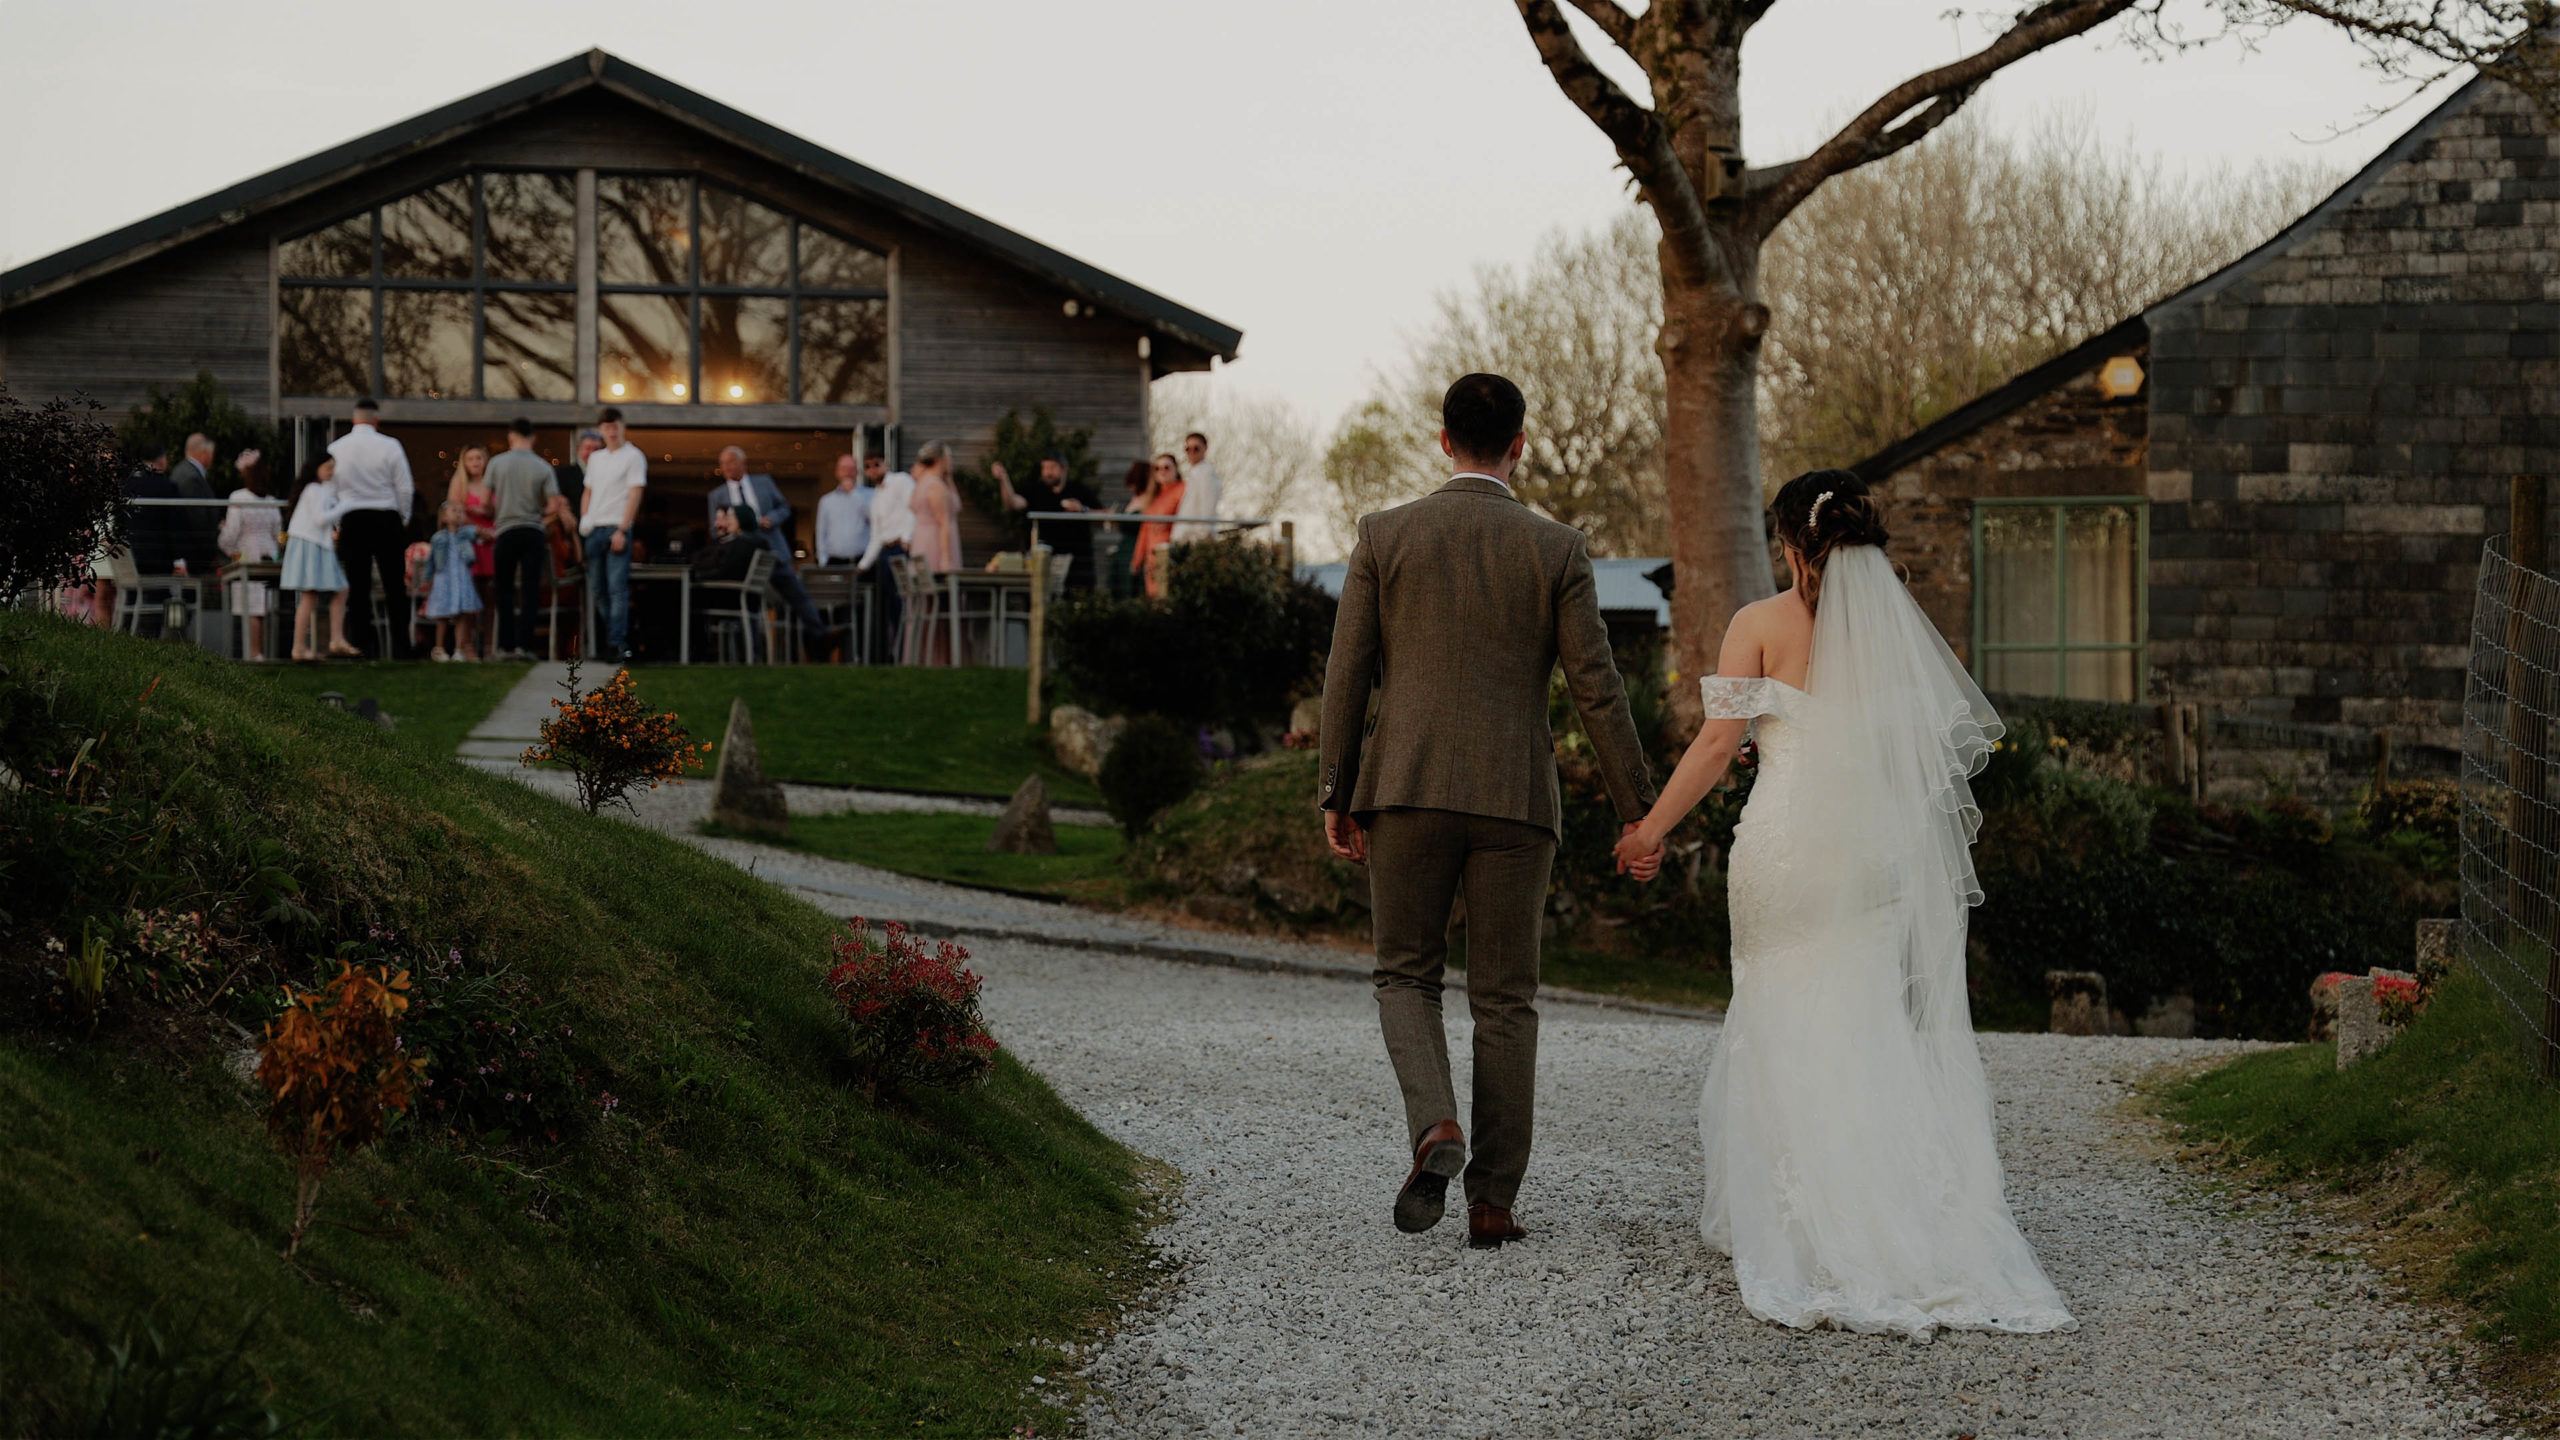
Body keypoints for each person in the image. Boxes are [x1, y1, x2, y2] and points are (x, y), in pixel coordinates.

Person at [1611, 470, 2074, 1338]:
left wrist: (1650, 832)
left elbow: (1718, 744)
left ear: (1789, 544)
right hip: (1871, 858)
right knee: (1865, 1018)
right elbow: (1903, 750)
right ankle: (1900, 1208)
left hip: (1787, 852)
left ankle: (1801, 1216)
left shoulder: (1757, 624)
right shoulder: (1901, 636)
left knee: (1780, 1008)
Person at [1317, 372, 1655, 1251]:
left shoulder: (1384, 536)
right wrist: (1636, 810)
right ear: (1520, 445)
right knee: (1507, 1000)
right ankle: (1494, 1203)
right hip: (1514, 798)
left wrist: (1336, 788)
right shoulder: (1559, 550)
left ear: (1442, 440)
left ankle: (1436, 1127)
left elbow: (1346, 677)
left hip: (1405, 788)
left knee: (1405, 974)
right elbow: (1598, 690)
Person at [704, 444, 828, 654]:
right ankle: (754, 650)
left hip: (774, 552)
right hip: (743, 558)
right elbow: (715, 531)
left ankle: (820, 638)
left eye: (731, 462)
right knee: (750, 602)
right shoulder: (717, 496)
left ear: (743, 463)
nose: (727, 467)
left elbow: (784, 508)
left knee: (797, 595)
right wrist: (729, 529)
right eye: (723, 464)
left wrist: (772, 519)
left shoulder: (764, 482)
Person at [329, 399, 419, 659]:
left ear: (353, 419)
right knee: (394, 586)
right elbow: (404, 487)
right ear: (376, 420)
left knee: (358, 587)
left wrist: (338, 522)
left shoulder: (336, 448)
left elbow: (331, 489)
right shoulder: (390, 445)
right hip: (385, 516)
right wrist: (402, 516)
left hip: (352, 518)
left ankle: (363, 645)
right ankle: (401, 647)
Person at [486, 418, 567, 661]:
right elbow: (553, 504)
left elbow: (487, 500)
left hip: (506, 530)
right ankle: (526, 646)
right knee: (531, 589)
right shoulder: (543, 467)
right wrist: (538, 516)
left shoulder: (497, 463)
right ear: (533, 437)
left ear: (511, 437)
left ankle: (505, 646)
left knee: (505, 589)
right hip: (533, 531)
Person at [577, 408, 647, 660]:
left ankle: (617, 643)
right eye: (606, 427)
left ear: (622, 426)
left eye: (615, 426)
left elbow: (634, 494)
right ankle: (614, 639)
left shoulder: (633, 456)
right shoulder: (596, 459)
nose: (611, 431)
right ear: (602, 430)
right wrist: (585, 518)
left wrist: (622, 529)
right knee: (598, 589)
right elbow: (588, 491)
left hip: (616, 527)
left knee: (617, 588)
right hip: (594, 529)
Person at [279, 457, 355, 662]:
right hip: (312, 544)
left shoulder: (319, 489)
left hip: (316, 544)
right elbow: (321, 518)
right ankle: (311, 645)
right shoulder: (314, 490)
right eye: (327, 468)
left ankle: (310, 645)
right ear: (316, 468)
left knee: (317, 595)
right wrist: (345, 505)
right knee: (319, 594)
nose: (331, 471)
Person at [995, 452, 1103, 591]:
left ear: (1064, 469)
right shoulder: (1036, 491)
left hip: (1077, 564)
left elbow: (1105, 515)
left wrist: (1083, 510)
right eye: (1044, 468)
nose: (1047, 473)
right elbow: (1012, 503)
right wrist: (1004, 479)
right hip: (1044, 560)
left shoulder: (1079, 490)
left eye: (1052, 468)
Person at [218, 448, 283, 660]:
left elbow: (232, 531)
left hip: (247, 551)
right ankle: (262, 651)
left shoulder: (238, 497)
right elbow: (277, 530)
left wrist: (226, 544)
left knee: (252, 607)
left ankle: (253, 653)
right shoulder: (272, 501)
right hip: (268, 552)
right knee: (264, 607)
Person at [856, 449, 918, 661]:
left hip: (902, 547)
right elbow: (876, 535)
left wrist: (907, 537)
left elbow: (913, 508)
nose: (873, 469)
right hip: (885, 552)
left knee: (904, 601)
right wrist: (863, 564)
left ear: (886, 463)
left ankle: (907, 651)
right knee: (890, 605)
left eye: (876, 464)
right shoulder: (876, 497)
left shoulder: (901, 481)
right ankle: (894, 653)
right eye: (868, 466)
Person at [448, 444, 497, 660]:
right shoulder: (460, 483)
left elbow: (501, 508)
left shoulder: (493, 483)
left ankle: (489, 645)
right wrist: (478, 529)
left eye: (479, 458)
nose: (476, 462)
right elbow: (454, 512)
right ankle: (467, 646)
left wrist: (489, 513)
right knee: (469, 594)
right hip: (470, 542)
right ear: (464, 463)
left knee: (490, 596)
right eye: (471, 459)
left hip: (491, 542)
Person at [419, 500, 485, 661]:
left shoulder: (466, 533)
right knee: (443, 616)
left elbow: (481, 532)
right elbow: (432, 561)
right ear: (444, 517)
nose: (458, 514)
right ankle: (439, 648)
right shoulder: (438, 538)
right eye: (454, 511)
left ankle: (459, 649)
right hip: (445, 581)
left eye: (461, 511)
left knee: (462, 616)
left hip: (462, 580)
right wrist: (426, 579)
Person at [169, 432, 226, 572]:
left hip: (192, 550)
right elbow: (198, 518)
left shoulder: (184, 471)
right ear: (204, 453)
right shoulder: (191, 477)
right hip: (196, 554)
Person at [1131, 453, 1185, 598]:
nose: (1162, 471)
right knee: (1154, 597)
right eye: (1157, 468)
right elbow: (1145, 530)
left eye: (1167, 467)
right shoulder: (1153, 497)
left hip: (1170, 553)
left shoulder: (1183, 490)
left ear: (1176, 469)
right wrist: (1137, 559)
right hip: (1151, 557)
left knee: (1168, 595)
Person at [815, 453, 877, 567]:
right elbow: (821, 532)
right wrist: (823, 561)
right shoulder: (827, 501)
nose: (847, 472)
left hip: (862, 561)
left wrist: (853, 494)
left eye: (851, 469)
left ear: (858, 472)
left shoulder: (871, 495)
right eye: (844, 469)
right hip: (834, 562)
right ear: (837, 472)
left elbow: (875, 520)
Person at [1104, 459, 1150, 598]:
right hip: (1123, 547)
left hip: (1135, 547)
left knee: (1130, 586)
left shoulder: (1147, 500)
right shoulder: (1133, 499)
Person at [1171, 431, 1222, 545]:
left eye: (1196, 448)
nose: (1192, 452)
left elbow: (1207, 508)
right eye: (1188, 449)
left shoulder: (1207, 473)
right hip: (1185, 538)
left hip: (1195, 540)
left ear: (1205, 448)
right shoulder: (1194, 473)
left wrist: (1200, 537)